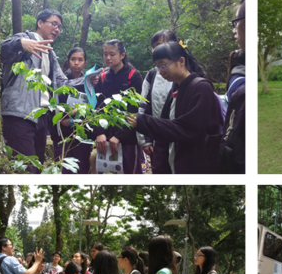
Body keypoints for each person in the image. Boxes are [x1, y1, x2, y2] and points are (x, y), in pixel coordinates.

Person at [0, 9, 84, 176]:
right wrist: (21, 43)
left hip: (40, 118)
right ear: (40, 23)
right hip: (19, 115)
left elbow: (63, 83)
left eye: (59, 27)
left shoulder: (50, 53)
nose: (57, 29)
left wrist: (89, 79)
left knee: (37, 167)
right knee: (26, 169)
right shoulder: (25, 39)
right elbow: (0, 50)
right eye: (53, 24)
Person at [125, 41, 223, 176]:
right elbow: (165, 134)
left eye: (164, 65)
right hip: (173, 165)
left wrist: (143, 122)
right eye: (158, 67)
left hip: (196, 166)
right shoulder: (176, 88)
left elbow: (188, 129)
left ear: (181, 61)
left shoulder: (201, 88)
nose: (161, 71)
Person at [91, 40, 145, 176]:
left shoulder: (134, 76)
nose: (108, 58)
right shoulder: (102, 77)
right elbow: (96, 107)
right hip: (104, 138)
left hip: (127, 139)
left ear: (122, 55)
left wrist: (119, 136)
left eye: (112, 54)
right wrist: (98, 132)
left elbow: (134, 110)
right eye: (105, 54)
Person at [142, 30, 180, 170]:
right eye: (154, 46)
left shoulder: (187, 75)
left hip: (180, 140)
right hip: (158, 139)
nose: (157, 49)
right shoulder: (152, 75)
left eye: (162, 44)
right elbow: (144, 106)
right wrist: (145, 140)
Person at [54, 47, 92, 176]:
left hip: (83, 132)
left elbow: (94, 107)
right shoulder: (61, 80)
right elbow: (54, 106)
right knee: (64, 169)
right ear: (68, 61)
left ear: (85, 63)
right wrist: (65, 118)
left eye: (80, 60)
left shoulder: (90, 82)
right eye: (73, 59)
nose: (76, 63)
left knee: (83, 168)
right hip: (63, 135)